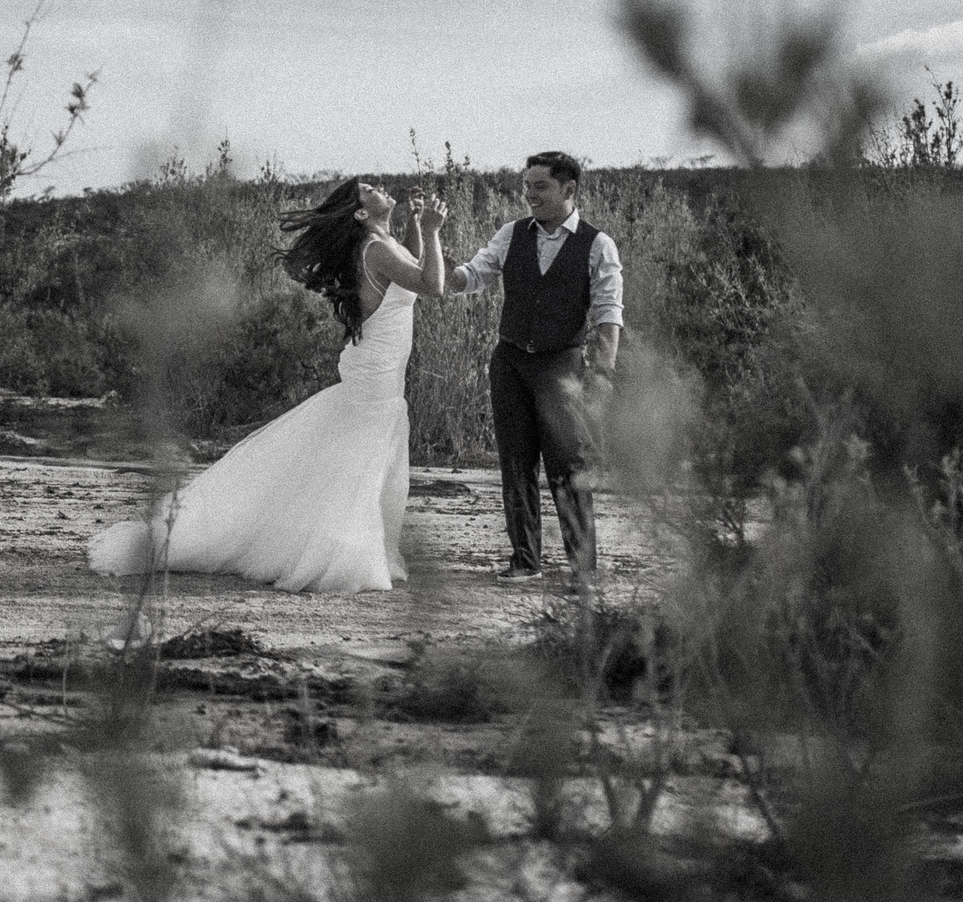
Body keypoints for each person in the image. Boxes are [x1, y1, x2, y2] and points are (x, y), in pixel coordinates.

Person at [89, 178, 449, 594]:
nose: (380, 187)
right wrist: (438, 230)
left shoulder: (381, 244)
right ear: (361, 213)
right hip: (376, 374)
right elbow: (432, 286)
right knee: (359, 458)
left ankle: (341, 543)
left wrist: (420, 227)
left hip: (379, 366)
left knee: (361, 457)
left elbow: (411, 273)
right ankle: (338, 554)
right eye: (369, 189)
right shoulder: (375, 248)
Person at [447, 150, 622, 582]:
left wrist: (602, 376)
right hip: (509, 363)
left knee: (568, 465)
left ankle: (582, 569)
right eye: (526, 186)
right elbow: (473, 276)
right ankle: (525, 562)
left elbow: (608, 316)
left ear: (569, 190)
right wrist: (433, 257)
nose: (529, 195)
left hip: (562, 366)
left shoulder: (598, 245)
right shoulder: (511, 234)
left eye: (539, 186)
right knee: (516, 463)